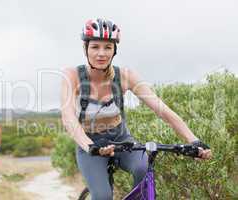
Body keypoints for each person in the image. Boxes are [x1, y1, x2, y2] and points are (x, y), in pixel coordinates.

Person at [60, 18, 212, 200]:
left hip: (121, 139)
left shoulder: (125, 76)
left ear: (114, 50)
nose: (101, 53)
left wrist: (194, 141)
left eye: (108, 47)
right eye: (95, 47)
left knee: (144, 169)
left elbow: (161, 109)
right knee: (102, 196)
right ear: (86, 48)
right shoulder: (72, 76)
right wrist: (90, 146)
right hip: (89, 142)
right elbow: (68, 117)